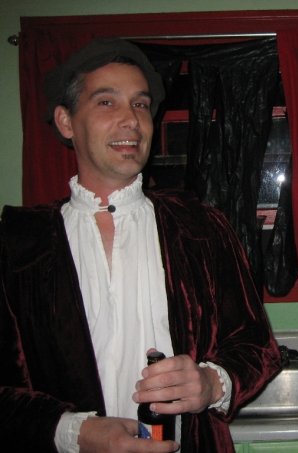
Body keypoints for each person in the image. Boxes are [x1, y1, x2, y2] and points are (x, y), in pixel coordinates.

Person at [0, 37, 281, 453]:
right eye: (106, 102)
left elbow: (257, 346)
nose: (131, 119)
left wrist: (211, 382)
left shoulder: (202, 227)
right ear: (65, 122)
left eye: (140, 104)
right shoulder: (18, 243)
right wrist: (74, 432)